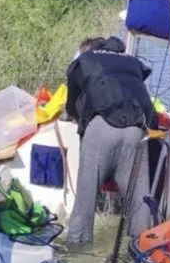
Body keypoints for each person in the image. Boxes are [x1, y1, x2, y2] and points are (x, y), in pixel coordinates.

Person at [63, 36, 158, 245]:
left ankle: (76, 252)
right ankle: (142, 251)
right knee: (139, 204)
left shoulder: (85, 60)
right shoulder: (131, 62)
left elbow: (71, 105)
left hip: (101, 131)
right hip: (136, 131)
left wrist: (76, 117)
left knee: (85, 203)